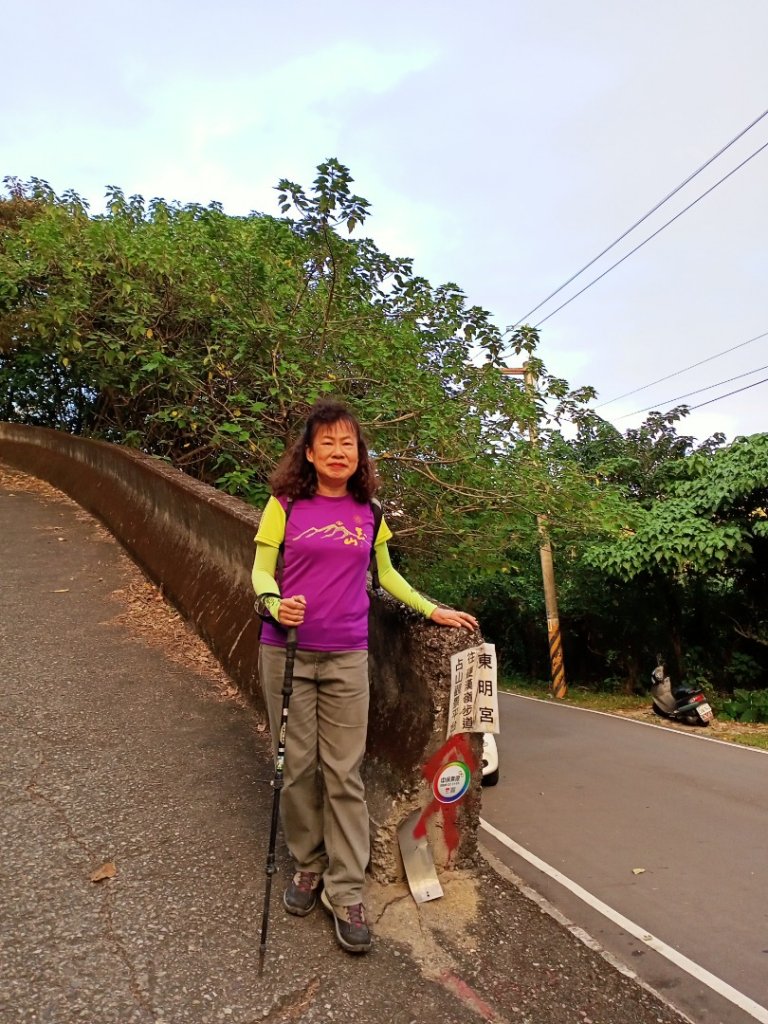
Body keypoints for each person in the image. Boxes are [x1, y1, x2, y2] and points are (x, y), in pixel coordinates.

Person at [251, 399, 478, 955]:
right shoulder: (284, 504)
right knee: (299, 768)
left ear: (359, 455)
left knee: (344, 772)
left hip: (348, 655)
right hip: (287, 651)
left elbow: (386, 574)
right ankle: (308, 865)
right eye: (326, 442)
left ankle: (345, 890)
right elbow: (260, 567)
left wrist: (430, 610)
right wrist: (273, 602)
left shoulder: (369, 512)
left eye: (347, 443)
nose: (337, 451)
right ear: (308, 452)